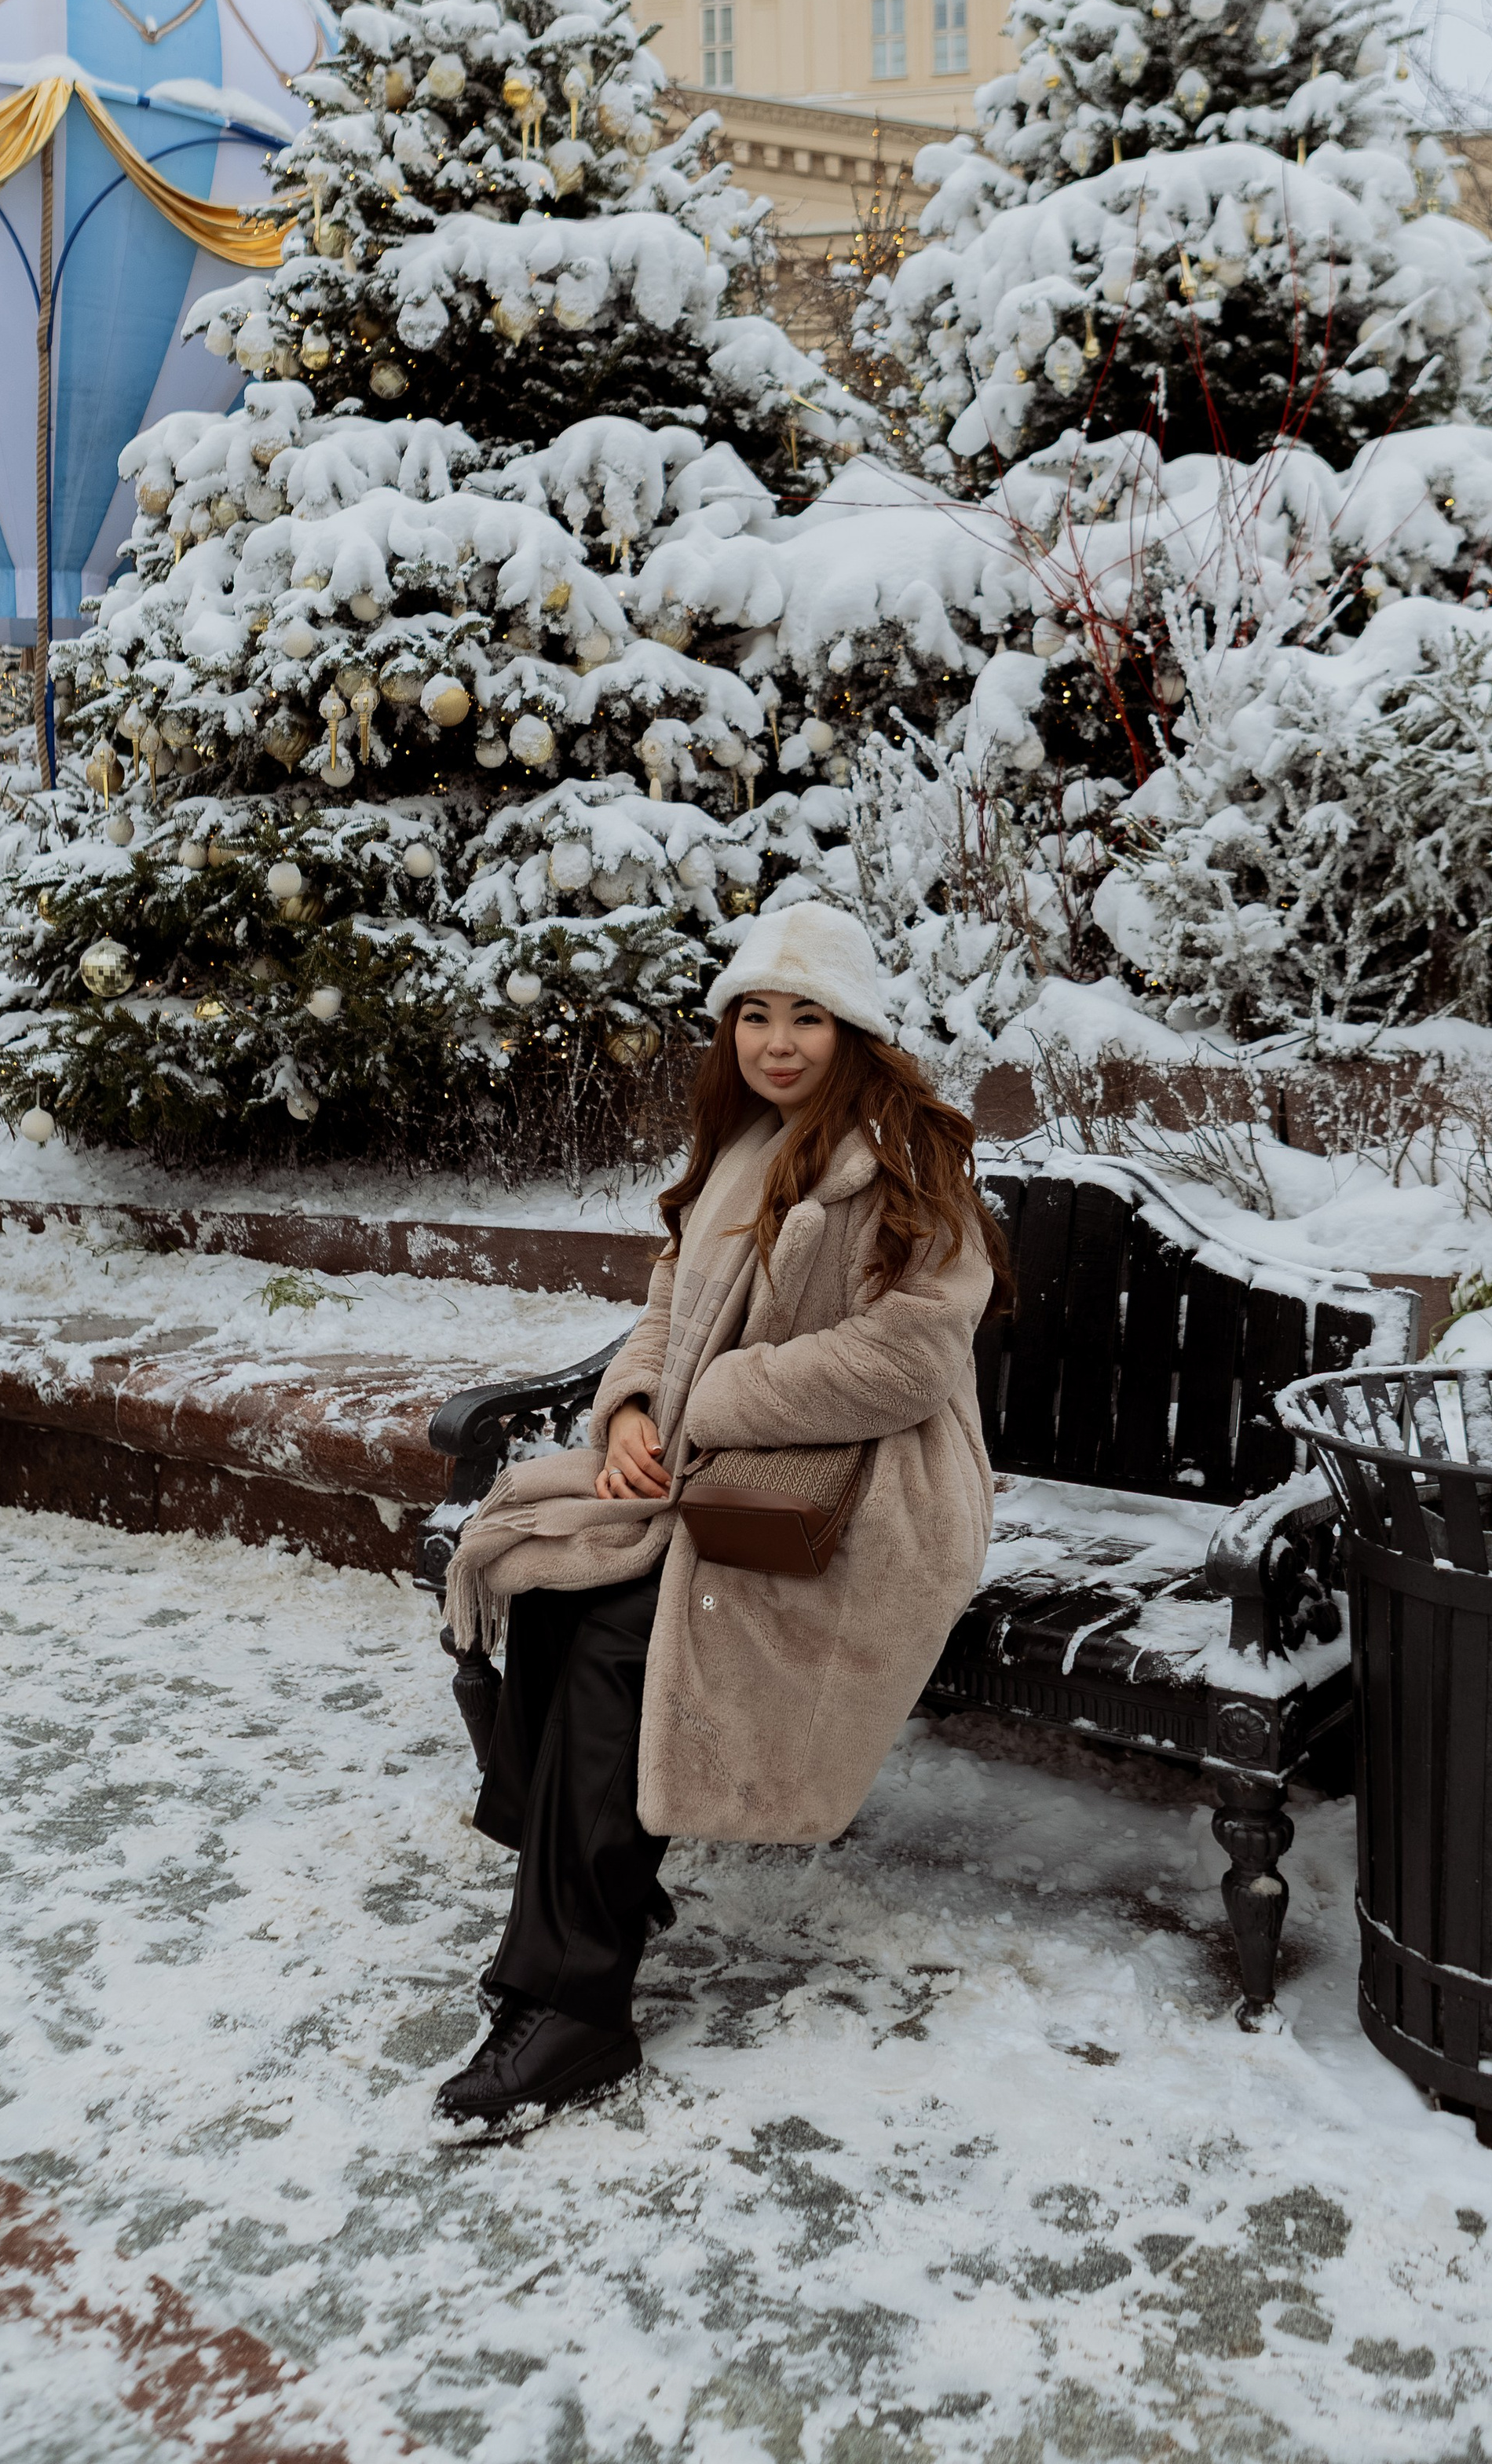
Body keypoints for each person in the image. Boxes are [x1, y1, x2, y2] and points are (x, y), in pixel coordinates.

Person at [437, 901, 1011, 2134]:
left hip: (870, 1499)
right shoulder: (744, 1146)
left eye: (808, 1016)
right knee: (554, 1571)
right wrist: (637, 1404)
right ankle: (589, 1894)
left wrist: (712, 1400)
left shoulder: (912, 1160)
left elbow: (907, 1364)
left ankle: (573, 2010)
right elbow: (666, 1300)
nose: (780, 1041)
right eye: (757, 1014)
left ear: (853, 1027)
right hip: (726, 1470)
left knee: (622, 1645)